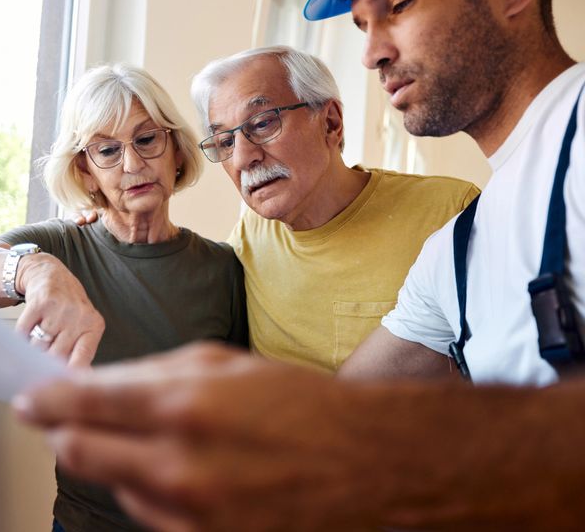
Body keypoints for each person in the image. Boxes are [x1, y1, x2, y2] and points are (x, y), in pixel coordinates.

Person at [14, 0, 585, 529]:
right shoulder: (459, 244)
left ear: (331, 124)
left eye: (399, 4)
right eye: (361, 23)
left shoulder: (480, 199)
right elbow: (334, 409)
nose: (371, 52)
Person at [0, 63, 247, 532]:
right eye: (108, 151)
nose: (132, 165)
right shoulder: (59, 246)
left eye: (147, 140)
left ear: (174, 150)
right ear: (86, 172)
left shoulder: (222, 268)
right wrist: (32, 269)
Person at [192, 45, 477, 371]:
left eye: (261, 123)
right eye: (225, 142)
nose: (243, 158)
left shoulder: (451, 212)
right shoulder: (249, 238)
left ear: (330, 123)